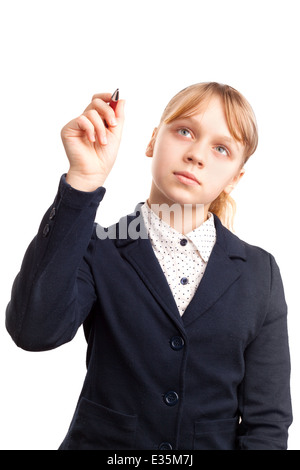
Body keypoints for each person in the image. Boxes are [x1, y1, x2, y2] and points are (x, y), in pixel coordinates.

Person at [6, 82, 292, 450]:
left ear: (235, 178)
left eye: (221, 148)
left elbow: (267, 423)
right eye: (185, 131)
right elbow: (33, 331)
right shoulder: (98, 247)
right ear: (153, 140)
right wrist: (82, 182)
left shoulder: (259, 272)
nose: (196, 155)